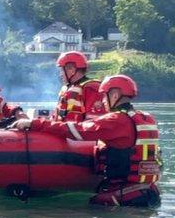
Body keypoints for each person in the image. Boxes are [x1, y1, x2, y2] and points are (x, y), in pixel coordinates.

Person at [12, 74, 161, 207]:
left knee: (88, 209)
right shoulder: (145, 118)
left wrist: (35, 123)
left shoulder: (116, 120)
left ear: (114, 95)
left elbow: (77, 131)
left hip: (125, 196)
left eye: (104, 96)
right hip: (148, 192)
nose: (102, 101)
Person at [52, 51, 104, 122]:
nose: (60, 74)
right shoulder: (66, 88)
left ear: (72, 70)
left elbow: (94, 122)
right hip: (63, 130)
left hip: (77, 132)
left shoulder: (91, 88)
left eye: (62, 70)